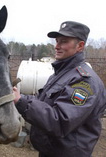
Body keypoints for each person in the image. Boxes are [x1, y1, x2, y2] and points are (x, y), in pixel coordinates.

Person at [13, 21, 106, 157]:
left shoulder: (84, 81)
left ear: (80, 46)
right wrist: (18, 96)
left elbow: (61, 121)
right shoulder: (61, 74)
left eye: (63, 42)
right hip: (49, 151)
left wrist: (21, 102)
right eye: (56, 41)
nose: (57, 46)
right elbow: (42, 102)